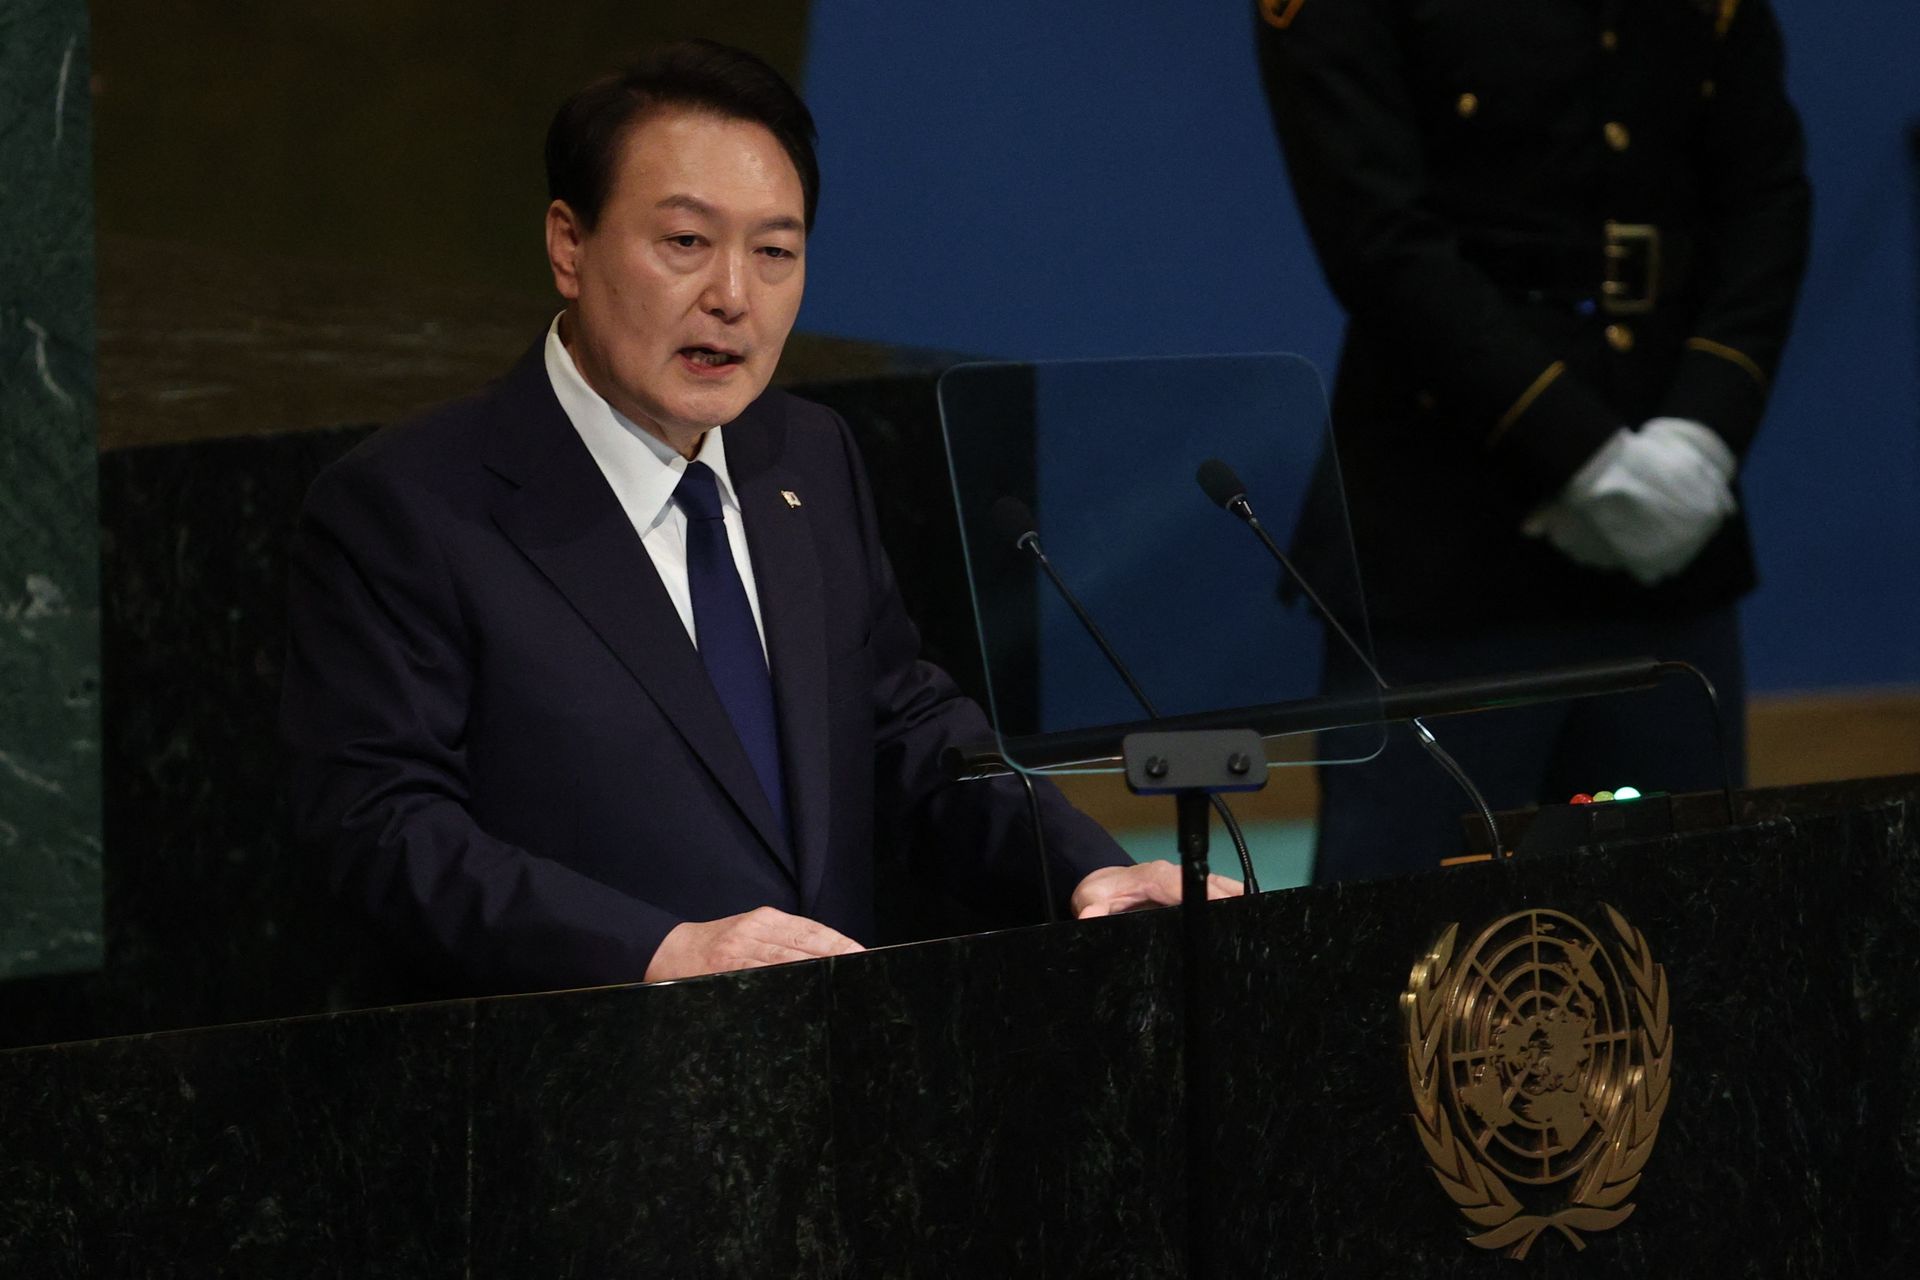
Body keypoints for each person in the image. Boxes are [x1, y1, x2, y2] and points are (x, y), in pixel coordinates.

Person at [280, 40, 1236, 993]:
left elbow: (902, 732)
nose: (733, 297)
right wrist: (661, 954)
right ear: (569, 245)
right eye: (686, 244)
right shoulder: (414, 503)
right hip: (567, 1092)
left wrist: (1082, 869)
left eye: (775, 252)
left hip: (826, 1081)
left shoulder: (807, 456)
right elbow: (383, 828)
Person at [1255, 0, 1811, 880]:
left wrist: (1701, 438)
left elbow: (1766, 191)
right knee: (1413, 966)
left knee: (1692, 946)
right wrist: (1585, 455)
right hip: (1448, 533)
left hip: (1671, 530)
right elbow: (1375, 229)